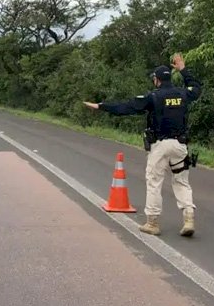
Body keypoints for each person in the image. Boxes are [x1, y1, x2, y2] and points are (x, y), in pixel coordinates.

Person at [83, 53, 202, 236]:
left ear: (157, 80)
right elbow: (196, 88)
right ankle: (189, 217)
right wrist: (183, 69)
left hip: (160, 146)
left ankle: (152, 222)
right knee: (181, 182)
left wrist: (101, 106)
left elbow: (126, 107)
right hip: (180, 145)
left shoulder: (153, 97)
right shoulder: (183, 93)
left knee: (154, 182)